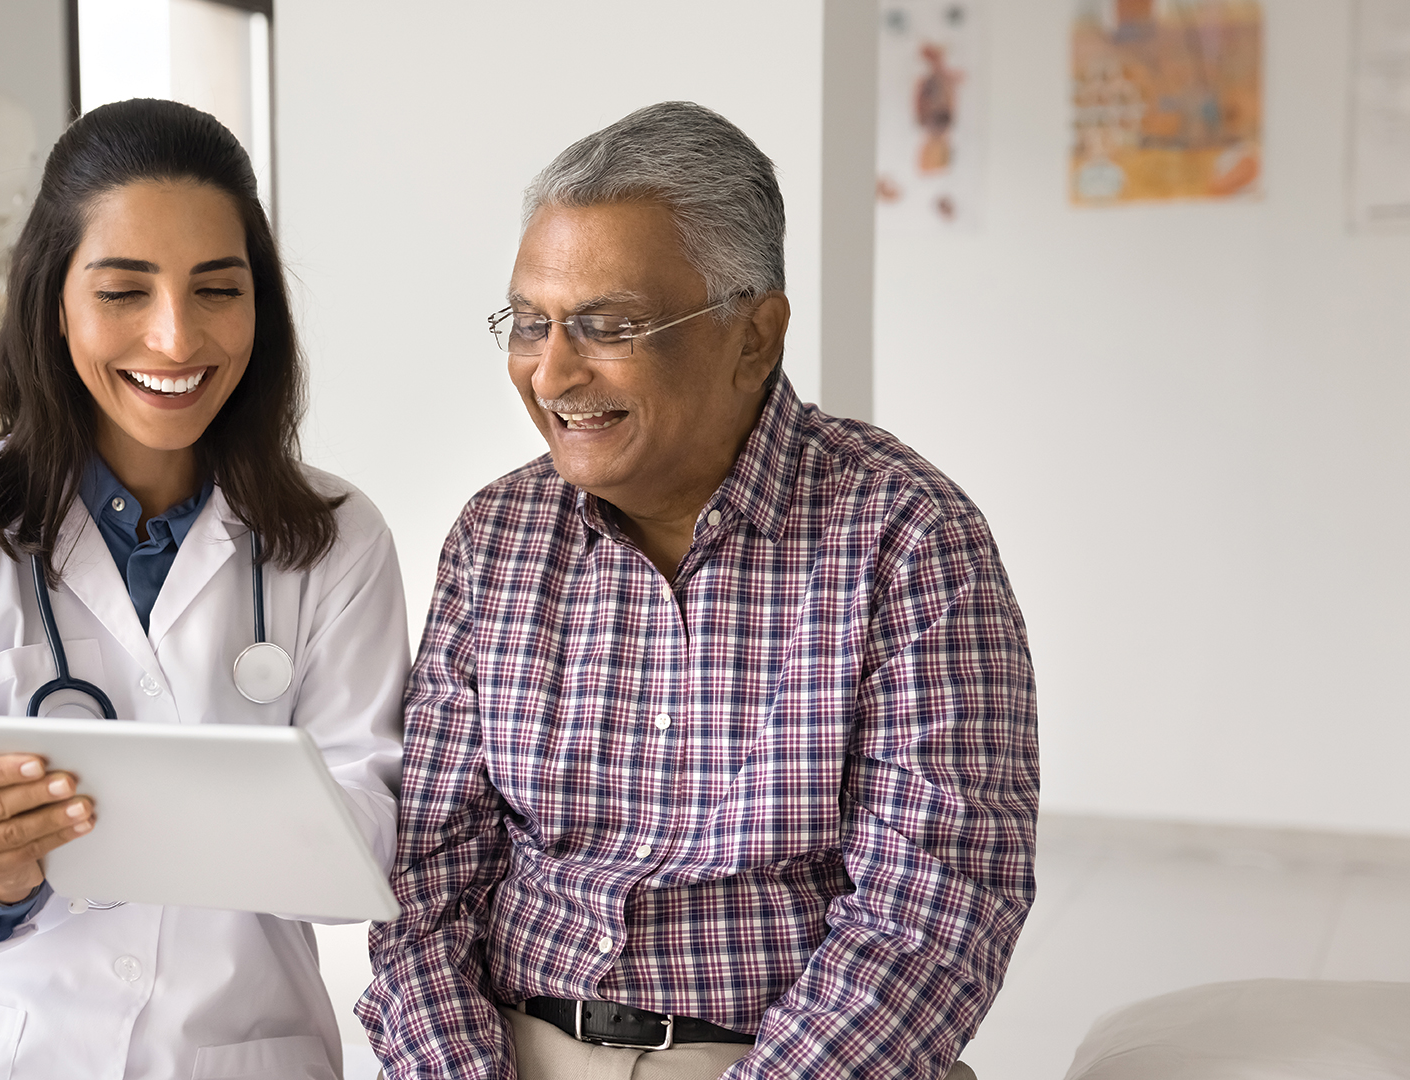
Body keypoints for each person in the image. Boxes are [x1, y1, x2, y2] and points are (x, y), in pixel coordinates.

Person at [359, 102, 1037, 1080]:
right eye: (531, 323)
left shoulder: (909, 540)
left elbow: (931, 909)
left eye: (610, 326)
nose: (552, 372)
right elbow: (424, 881)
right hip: (519, 1050)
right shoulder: (497, 537)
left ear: (754, 334)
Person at [0, 99, 407, 1080]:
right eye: (125, 291)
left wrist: (130, 822)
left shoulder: (337, 539)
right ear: (55, 299)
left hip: (227, 1054)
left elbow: (365, 846)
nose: (175, 339)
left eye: (217, 289)